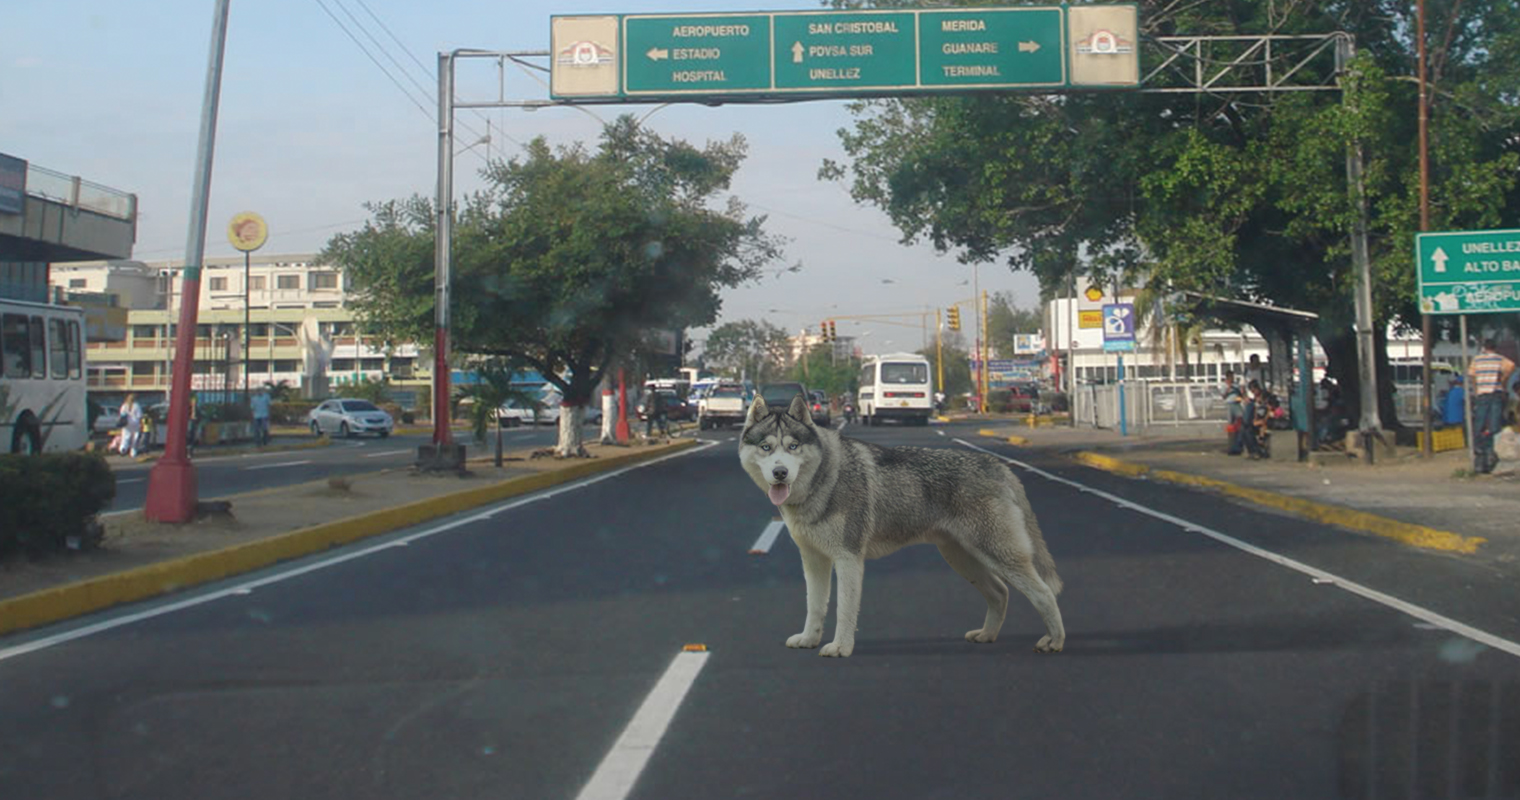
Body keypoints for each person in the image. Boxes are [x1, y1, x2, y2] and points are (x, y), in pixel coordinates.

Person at [1467, 339, 1516, 474]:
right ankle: (1491, 452)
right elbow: (1511, 366)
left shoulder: (1477, 360)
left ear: (1484, 347)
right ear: (1495, 348)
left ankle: (1480, 451)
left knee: (1480, 423)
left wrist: (1476, 389)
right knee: (1495, 424)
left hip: (1482, 394)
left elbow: (1471, 375)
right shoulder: (1499, 359)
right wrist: (1503, 379)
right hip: (1495, 393)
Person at [1223, 371, 1246, 455]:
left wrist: (1242, 393)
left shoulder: (1236, 385)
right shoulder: (1224, 385)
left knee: (1241, 421)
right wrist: (1228, 390)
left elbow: (1240, 394)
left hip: (1237, 404)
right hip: (1229, 404)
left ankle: (1239, 442)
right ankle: (1231, 444)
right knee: (1230, 424)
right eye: (1230, 377)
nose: (1232, 379)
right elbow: (1223, 396)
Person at [118, 393, 143, 458]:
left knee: (125, 437)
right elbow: (139, 416)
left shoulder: (124, 406)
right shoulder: (137, 406)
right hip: (135, 423)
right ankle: (133, 452)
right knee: (135, 438)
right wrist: (141, 424)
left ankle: (123, 449)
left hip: (126, 423)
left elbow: (121, 414)